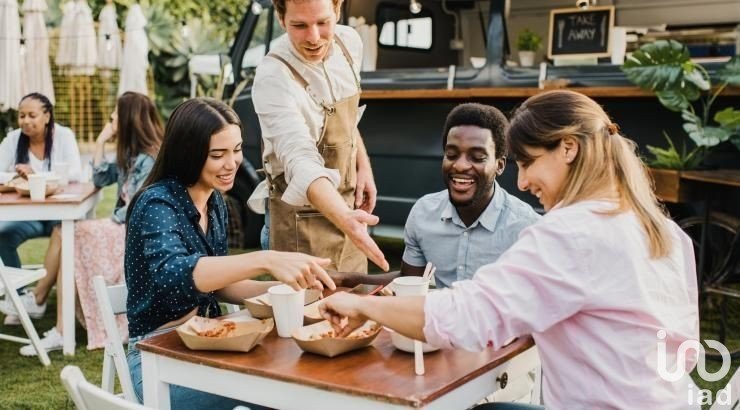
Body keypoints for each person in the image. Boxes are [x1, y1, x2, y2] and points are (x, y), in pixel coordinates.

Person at [320, 90, 699, 409]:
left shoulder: (570, 233)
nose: (522, 180)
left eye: (527, 162)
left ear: (567, 148)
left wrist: (364, 305)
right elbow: (689, 349)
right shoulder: (663, 229)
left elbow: (472, 315)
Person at [125, 98, 336, 408]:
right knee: (284, 391)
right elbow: (174, 275)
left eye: (236, 150)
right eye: (217, 155)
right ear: (188, 153)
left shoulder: (214, 202)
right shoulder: (158, 203)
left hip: (210, 340)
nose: (232, 163)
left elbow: (219, 284)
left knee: (301, 376)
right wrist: (266, 259)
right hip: (158, 360)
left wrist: (291, 289)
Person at [2, 92, 164, 356]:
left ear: (128, 119)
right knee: (68, 232)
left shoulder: (150, 158)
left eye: (115, 115)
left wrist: (111, 222)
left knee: (70, 232)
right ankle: (48, 311)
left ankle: (47, 311)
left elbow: (137, 205)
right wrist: (100, 141)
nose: (111, 120)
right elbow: (99, 179)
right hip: (121, 226)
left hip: (131, 229)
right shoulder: (131, 153)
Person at [247, 0, 389, 273]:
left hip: (347, 208)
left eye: (323, 23)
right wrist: (346, 219)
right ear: (280, 18)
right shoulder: (273, 76)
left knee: (355, 308)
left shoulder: (349, 43)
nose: (313, 38)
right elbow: (300, 160)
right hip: (298, 223)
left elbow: (346, 120)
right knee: (304, 313)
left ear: (338, 9)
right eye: (299, 25)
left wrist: (363, 165)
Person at [334, 103, 540, 290]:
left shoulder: (526, 228)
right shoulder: (423, 213)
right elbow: (409, 281)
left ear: (500, 165)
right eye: (451, 154)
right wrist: (347, 279)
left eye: (477, 157)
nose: (459, 165)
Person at [0, 93, 82, 269]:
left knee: (68, 232)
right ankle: (19, 293)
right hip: (27, 215)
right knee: (2, 236)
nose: (26, 121)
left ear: (47, 116)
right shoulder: (13, 139)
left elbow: (75, 172)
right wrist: (15, 177)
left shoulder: (64, 136)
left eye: (32, 115)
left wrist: (35, 175)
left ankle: (42, 291)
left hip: (60, 213)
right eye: (22, 116)